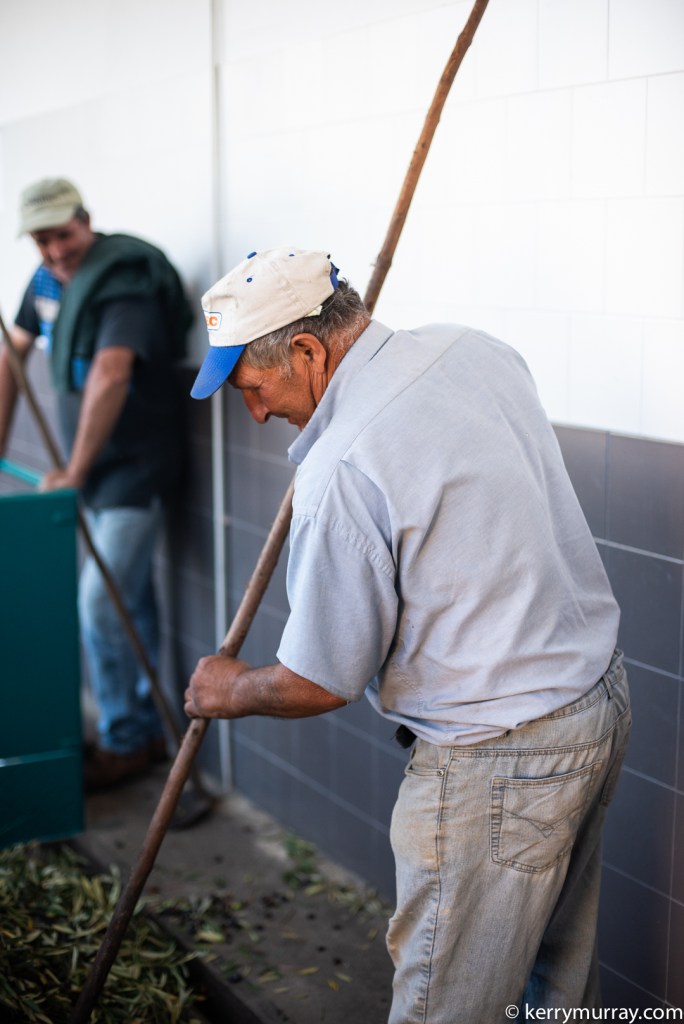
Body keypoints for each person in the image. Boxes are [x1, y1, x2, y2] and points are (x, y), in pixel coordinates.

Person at [184, 247, 631, 1022]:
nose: (255, 415)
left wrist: (230, 689)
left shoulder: (343, 467)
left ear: (307, 350)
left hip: (500, 755)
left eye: (252, 390)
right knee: (557, 988)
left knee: (445, 1006)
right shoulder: (473, 348)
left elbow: (318, 680)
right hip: (596, 701)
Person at [0, 177, 193, 791]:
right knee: (127, 599)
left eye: (62, 233)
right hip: (96, 468)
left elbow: (111, 374)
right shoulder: (46, 283)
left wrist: (75, 470)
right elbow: (12, 355)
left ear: (85, 221)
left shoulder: (123, 282)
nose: (54, 249)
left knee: (99, 603)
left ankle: (124, 740)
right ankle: (144, 726)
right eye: (41, 239)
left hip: (136, 467)